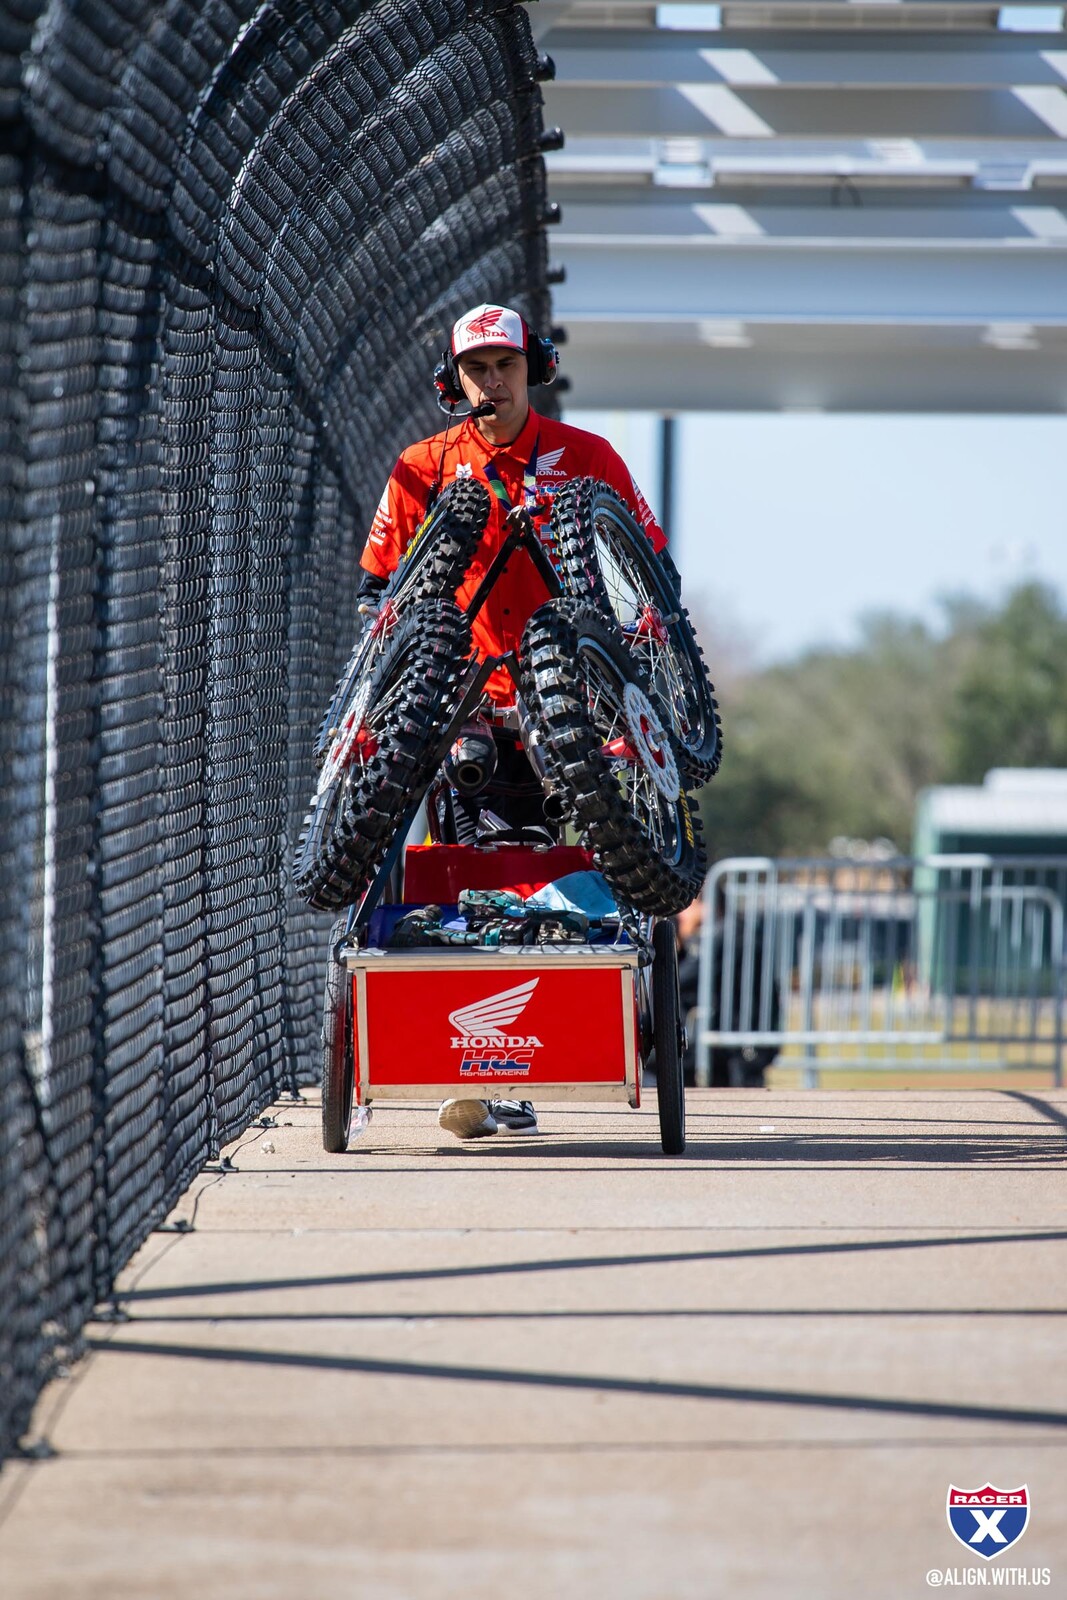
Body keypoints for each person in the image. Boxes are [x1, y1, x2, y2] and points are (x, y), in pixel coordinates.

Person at [358, 302, 671, 1141]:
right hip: (466, 696)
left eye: (504, 365)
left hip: (570, 693)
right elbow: (377, 591)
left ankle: (583, 1022)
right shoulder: (424, 467)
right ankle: (489, 1075)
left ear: (533, 366)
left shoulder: (587, 458)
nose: (491, 381)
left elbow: (647, 562)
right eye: (475, 369)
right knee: (480, 861)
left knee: (566, 855)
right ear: (453, 380)